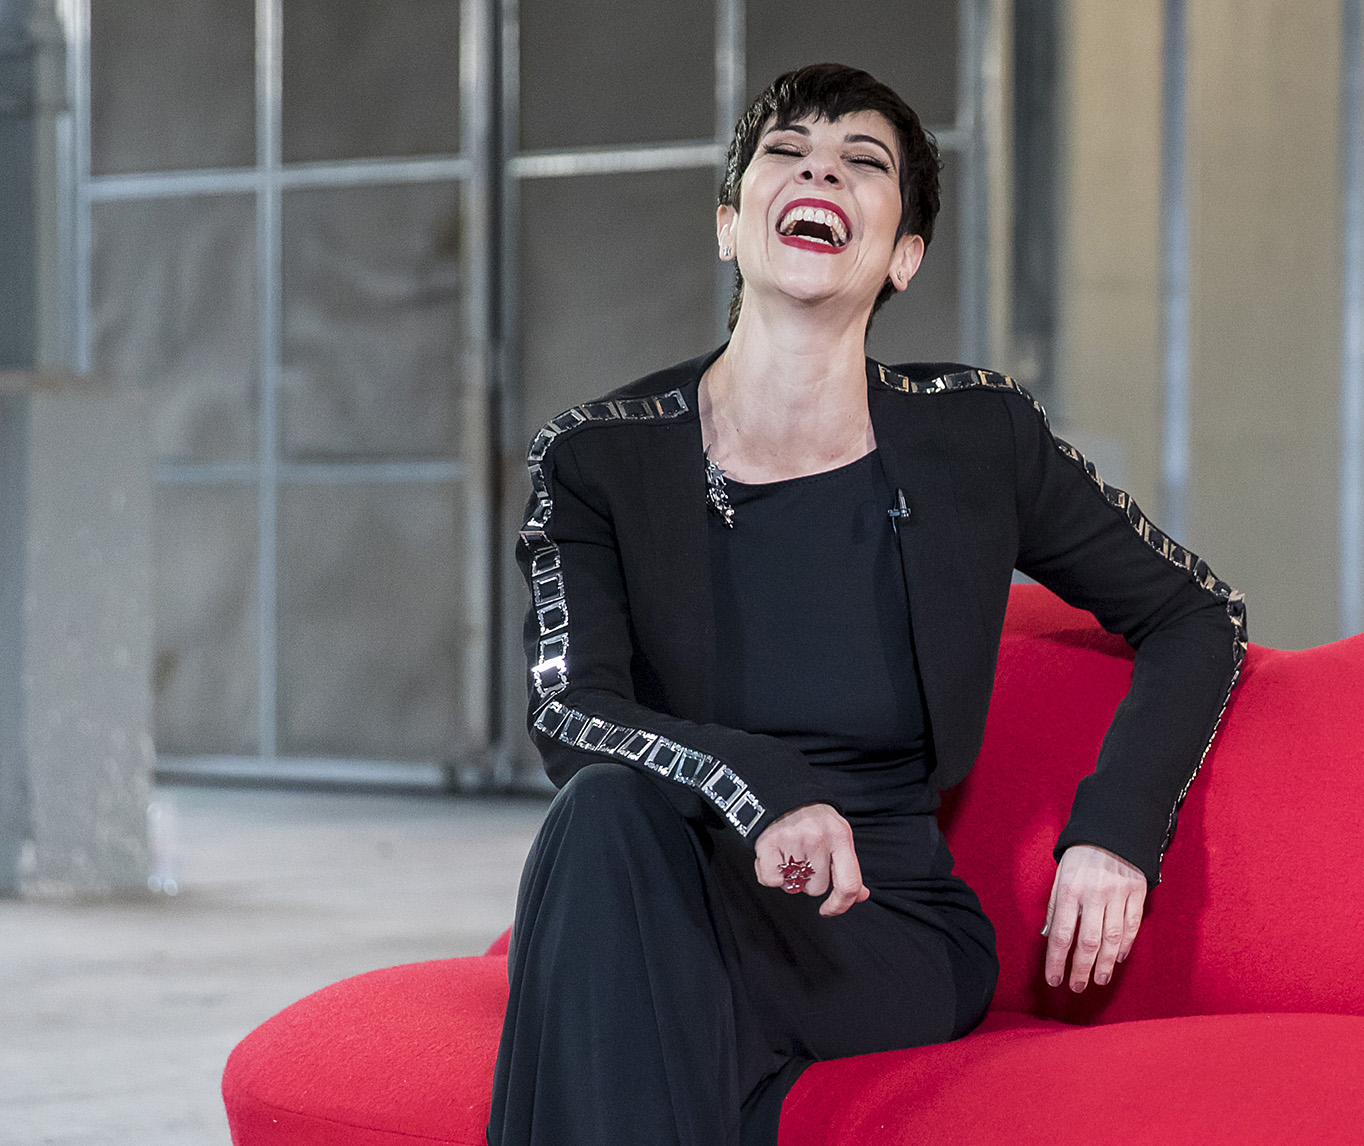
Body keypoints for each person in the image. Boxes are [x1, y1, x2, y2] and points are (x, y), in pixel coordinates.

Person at [486, 63, 1245, 1146]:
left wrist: (1114, 833)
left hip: (873, 928)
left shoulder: (977, 437)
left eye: (863, 163)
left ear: (903, 256)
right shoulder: (599, 458)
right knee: (605, 820)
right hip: (676, 877)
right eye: (787, 154)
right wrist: (761, 790)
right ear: (728, 225)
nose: (820, 171)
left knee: (623, 974)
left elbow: (1196, 611)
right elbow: (570, 715)